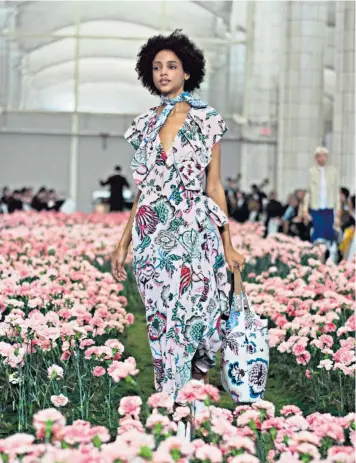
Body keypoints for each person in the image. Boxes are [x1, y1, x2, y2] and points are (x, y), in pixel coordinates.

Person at [111, 30, 245, 427]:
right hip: (153, 238)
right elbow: (143, 192)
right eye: (156, 67)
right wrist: (124, 243)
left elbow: (214, 185)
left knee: (203, 317)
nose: (163, 73)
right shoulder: (143, 125)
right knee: (163, 323)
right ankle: (175, 413)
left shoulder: (207, 120)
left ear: (187, 71)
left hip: (195, 231)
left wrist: (229, 243)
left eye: (171, 66)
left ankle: (194, 396)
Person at [303, 147, 339, 244]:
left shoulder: (333, 171)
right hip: (316, 207)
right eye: (318, 156)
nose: (321, 158)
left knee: (329, 233)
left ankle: (330, 256)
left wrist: (338, 209)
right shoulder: (311, 172)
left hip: (329, 207)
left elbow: (336, 192)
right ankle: (318, 255)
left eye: (324, 156)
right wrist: (305, 209)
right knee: (318, 234)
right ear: (315, 158)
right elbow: (308, 192)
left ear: (327, 157)